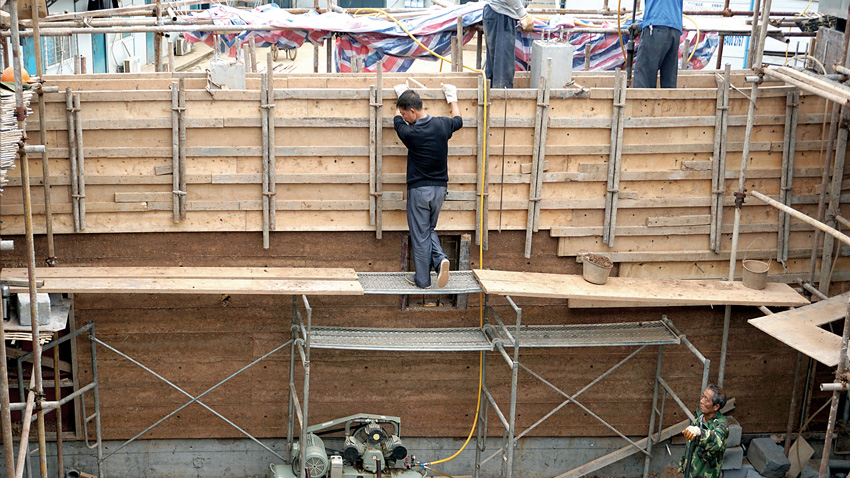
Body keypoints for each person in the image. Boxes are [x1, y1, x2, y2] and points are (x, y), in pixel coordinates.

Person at [392, 84, 462, 289]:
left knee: (420, 235)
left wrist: (399, 94)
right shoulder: (442, 125)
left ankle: (423, 280)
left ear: (412, 111)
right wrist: (452, 97)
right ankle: (440, 261)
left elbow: (396, 120)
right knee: (429, 229)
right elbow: (458, 119)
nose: (404, 118)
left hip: (419, 191)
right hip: (440, 190)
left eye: (406, 114)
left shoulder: (410, 133)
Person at [679, 385, 729, 478]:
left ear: (716, 407)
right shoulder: (700, 415)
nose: (701, 401)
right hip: (690, 472)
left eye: (706, 399)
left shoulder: (721, 424)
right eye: (702, 396)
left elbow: (716, 441)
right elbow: (690, 445)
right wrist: (683, 465)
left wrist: (699, 432)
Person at [482, 0, 535, 89]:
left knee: (496, 67)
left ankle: (492, 100)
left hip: (497, 13)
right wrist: (523, 14)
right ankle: (501, 101)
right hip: (501, 14)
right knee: (503, 69)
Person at [632, 0, 684, 88]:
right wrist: (641, 26)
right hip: (675, 29)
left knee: (644, 77)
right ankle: (669, 101)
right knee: (669, 80)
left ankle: (642, 102)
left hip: (655, 27)